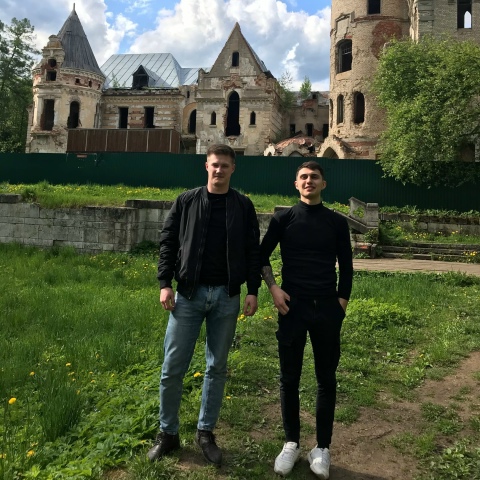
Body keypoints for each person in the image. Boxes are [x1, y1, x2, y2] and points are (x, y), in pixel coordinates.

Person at [148, 144, 261, 467]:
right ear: (206, 166)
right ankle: (168, 433)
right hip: (188, 295)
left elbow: (252, 249)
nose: (219, 170)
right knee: (173, 367)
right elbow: (168, 242)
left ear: (233, 168)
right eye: (215, 164)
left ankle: (205, 433)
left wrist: (252, 290)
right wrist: (165, 283)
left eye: (225, 165)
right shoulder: (186, 201)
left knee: (216, 367)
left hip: (227, 296)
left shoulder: (243, 205)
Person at [260, 160, 353, 479]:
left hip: (327, 308)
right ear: (296, 184)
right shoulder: (283, 218)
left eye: (314, 177)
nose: (309, 180)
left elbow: (347, 266)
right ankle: (291, 443)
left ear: (323, 184)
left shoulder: (336, 222)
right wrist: (273, 288)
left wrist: (340, 304)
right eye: (303, 177)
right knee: (289, 378)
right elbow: (261, 256)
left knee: (326, 379)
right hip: (292, 307)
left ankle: (322, 448)